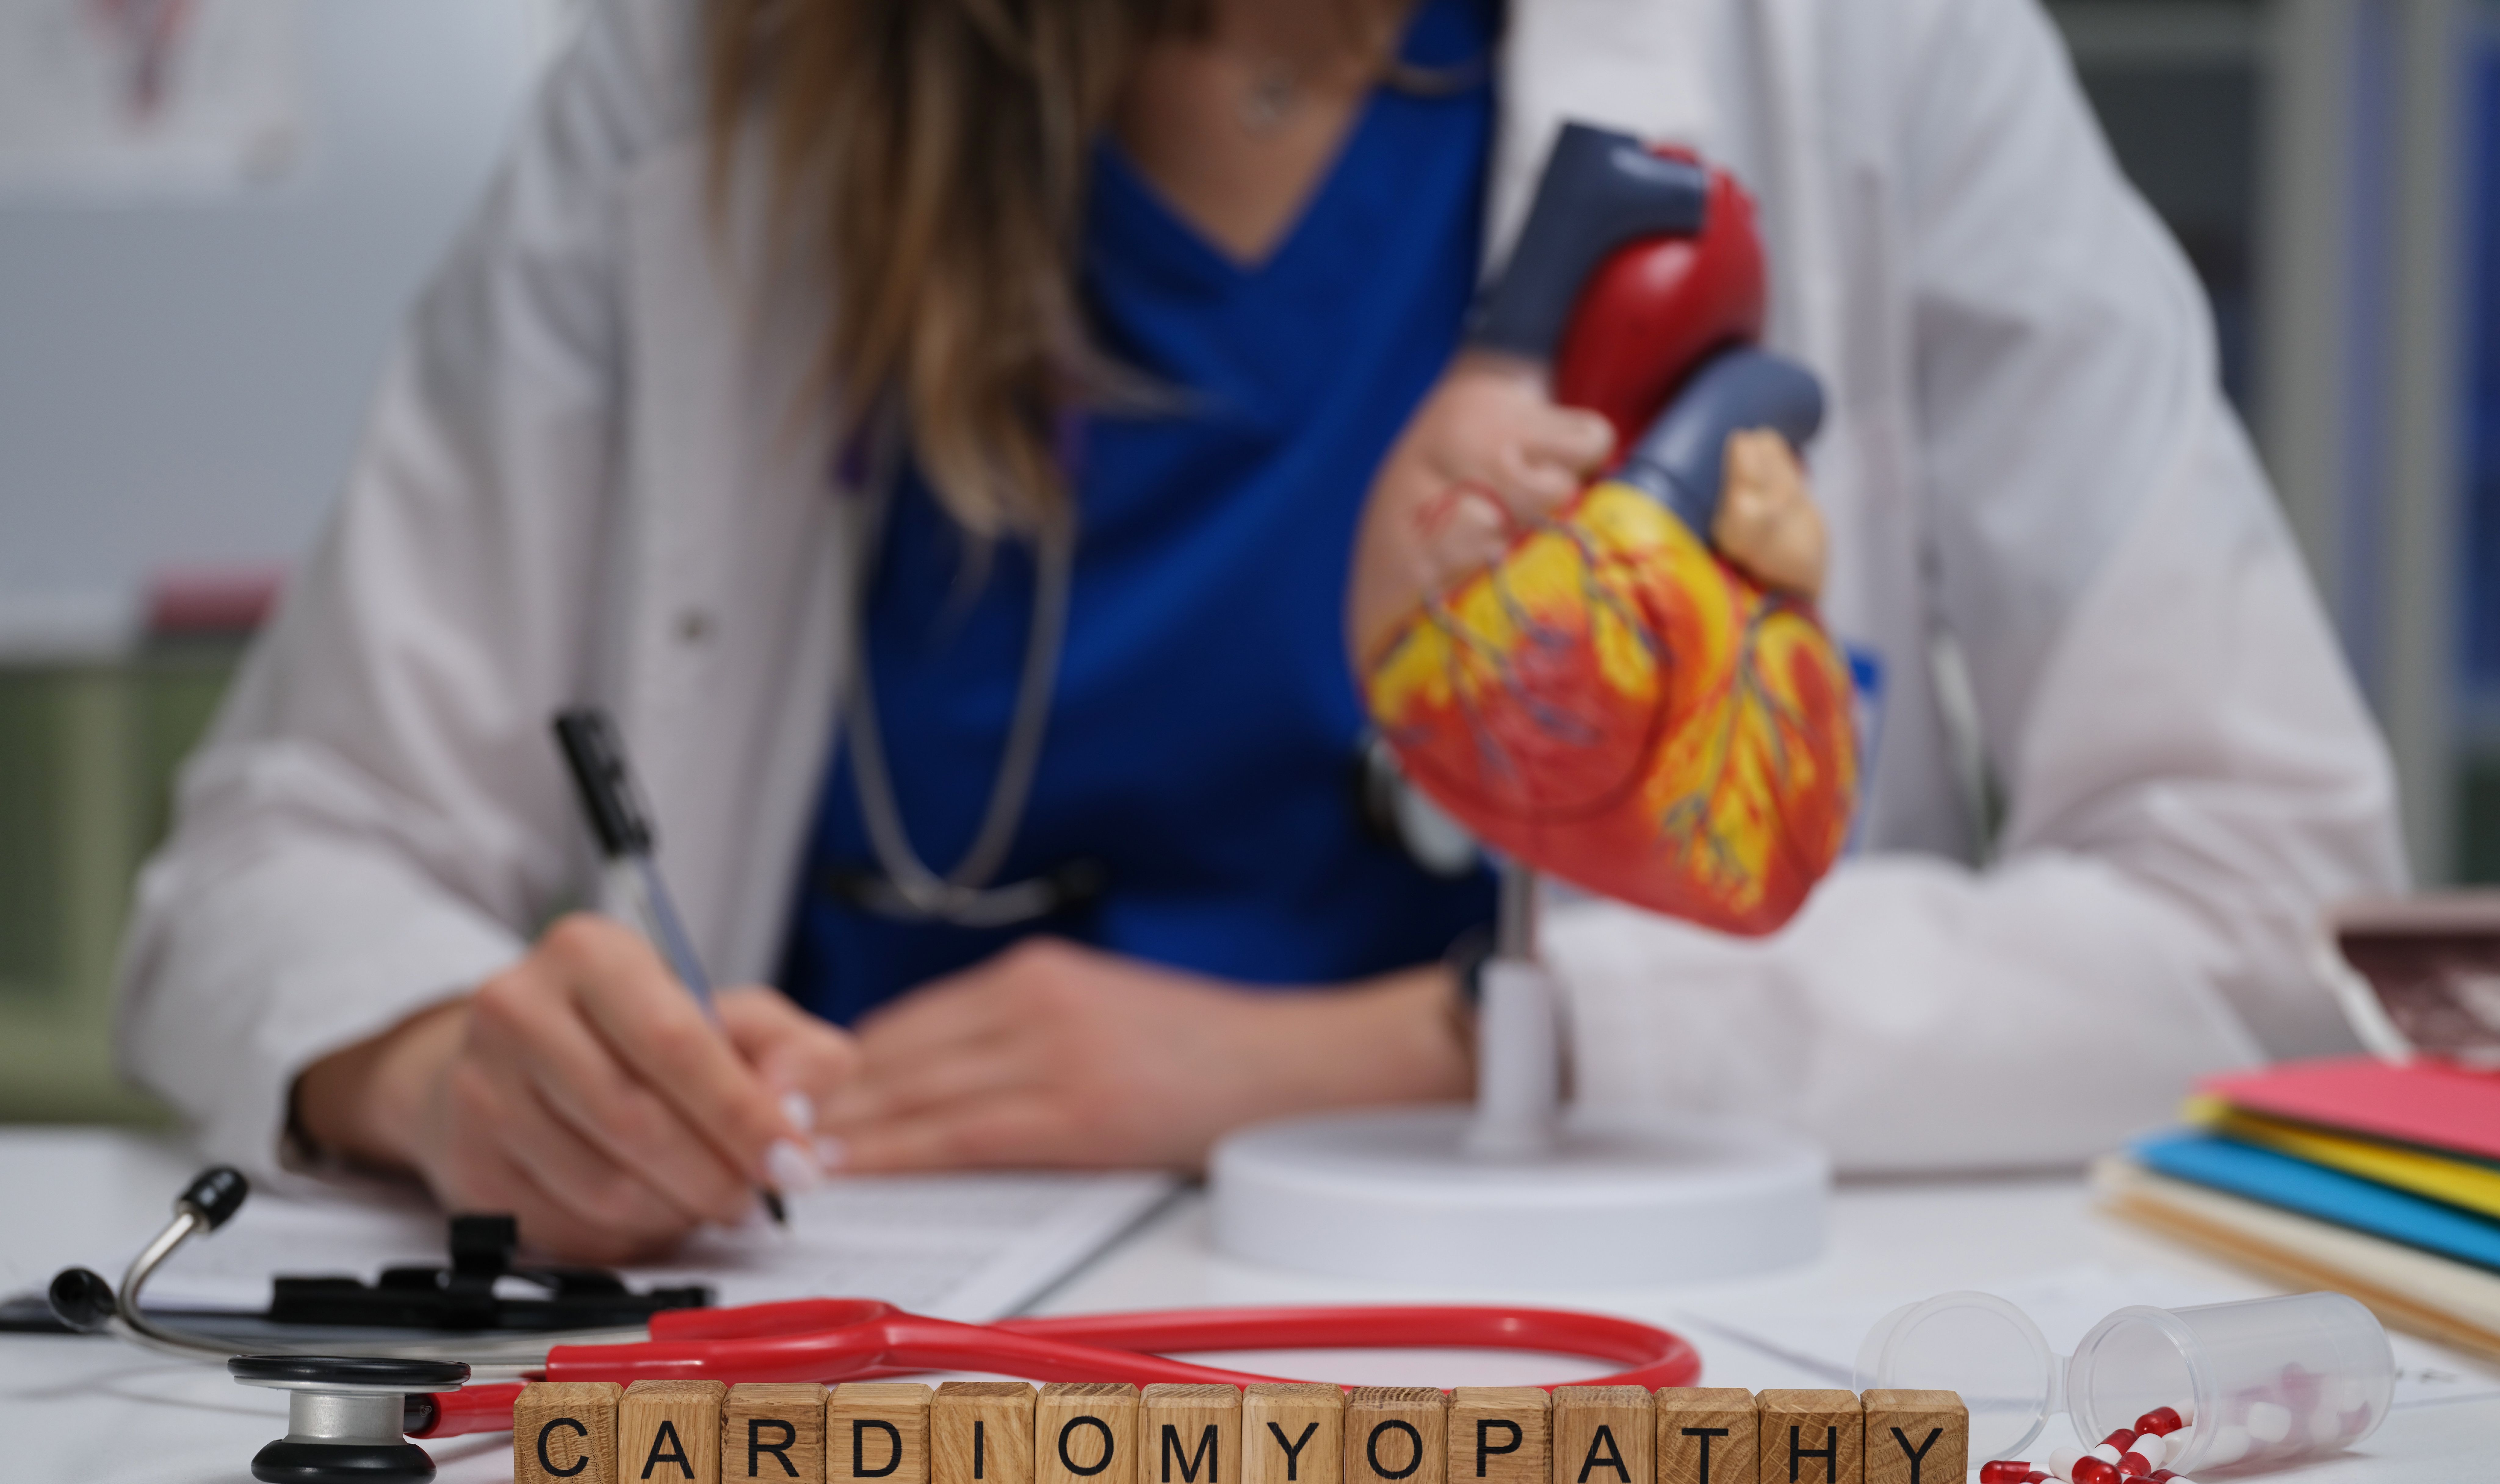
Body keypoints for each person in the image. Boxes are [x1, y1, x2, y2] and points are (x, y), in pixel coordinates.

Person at [117, 0, 2403, 1262]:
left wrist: (1396, 1047)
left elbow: (2263, 919)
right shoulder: (707, 75)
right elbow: (279, 857)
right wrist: (440, 1069)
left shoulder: (1863, 54)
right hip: (848, 1347)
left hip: (1601, 1366)